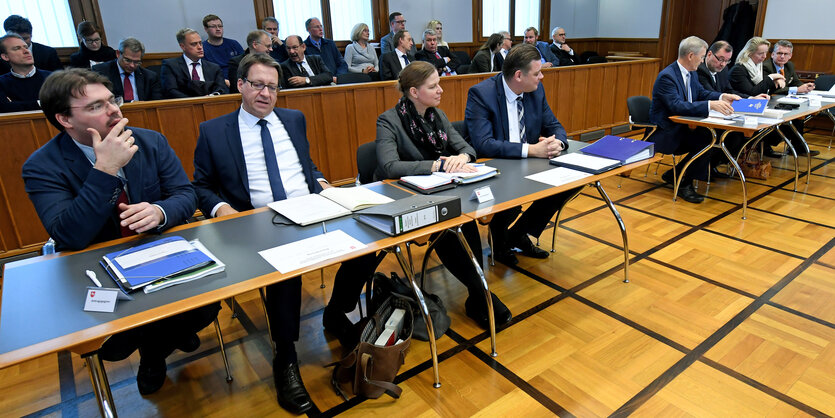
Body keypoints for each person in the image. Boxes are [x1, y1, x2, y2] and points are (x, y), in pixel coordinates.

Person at [192, 53, 375, 413]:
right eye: (258, 85)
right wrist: (224, 209)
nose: (266, 94)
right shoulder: (214, 131)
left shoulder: (293, 119)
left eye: (273, 87)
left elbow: (304, 164)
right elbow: (202, 186)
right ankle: (286, 356)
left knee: (368, 244)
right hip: (257, 222)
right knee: (284, 273)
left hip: (309, 209)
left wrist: (323, 184)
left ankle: (336, 312)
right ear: (240, 85)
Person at [21, 68, 220, 396]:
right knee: (114, 337)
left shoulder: (150, 141)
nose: (115, 109)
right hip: (97, 267)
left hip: (158, 251)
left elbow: (186, 195)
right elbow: (69, 235)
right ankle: (159, 341)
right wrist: (106, 169)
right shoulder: (42, 166)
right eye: (97, 106)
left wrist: (159, 212)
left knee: (209, 304)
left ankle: (152, 351)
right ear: (64, 119)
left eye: (112, 100)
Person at [376, 60, 512, 329]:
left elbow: (467, 148)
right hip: (408, 199)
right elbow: (388, 166)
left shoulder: (437, 116)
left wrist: (461, 157)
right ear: (414, 92)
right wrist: (435, 165)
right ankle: (480, 293)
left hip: (445, 191)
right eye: (433, 86)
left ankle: (477, 293)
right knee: (452, 229)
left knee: (465, 222)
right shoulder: (389, 120)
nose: (441, 90)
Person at [465, 43, 576, 264]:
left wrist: (559, 144)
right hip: (497, 167)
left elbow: (554, 126)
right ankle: (502, 237)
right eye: (537, 73)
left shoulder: (535, 91)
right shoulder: (482, 94)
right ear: (518, 75)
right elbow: (484, 144)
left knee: (571, 181)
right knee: (513, 192)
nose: (542, 77)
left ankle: (515, 235)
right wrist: (532, 150)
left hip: (529, 163)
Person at [649, 36, 739, 203]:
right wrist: (710, 105)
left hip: (684, 126)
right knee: (706, 138)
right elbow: (676, 106)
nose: (703, 60)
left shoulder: (692, 74)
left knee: (714, 135)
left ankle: (678, 174)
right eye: (703, 56)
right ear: (691, 56)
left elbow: (702, 93)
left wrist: (722, 96)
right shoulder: (667, 77)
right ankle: (684, 182)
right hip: (667, 130)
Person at [696, 40, 767, 175]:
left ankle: (711, 166)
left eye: (727, 61)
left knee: (738, 136)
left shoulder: (723, 70)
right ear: (709, 54)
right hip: (704, 117)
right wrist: (725, 97)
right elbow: (708, 94)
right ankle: (704, 169)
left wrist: (750, 99)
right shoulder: (700, 70)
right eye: (720, 59)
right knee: (728, 136)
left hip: (720, 116)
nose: (723, 64)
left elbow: (730, 90)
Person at [761, 40, 818, 157]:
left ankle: (798, 148)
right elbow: (772, 90)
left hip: (784, 101)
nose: (782, 56)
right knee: (790, 120)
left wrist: (806, 86)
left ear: (790, 56)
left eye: (786, 54)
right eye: (779, 53)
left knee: (798, 116)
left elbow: (795, 82)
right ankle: (763, 147)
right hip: (769, 102)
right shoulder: (766, 67)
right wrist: (796, 90)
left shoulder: (789, 66)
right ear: (772, 54)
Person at [160, 28, 228, 98]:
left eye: (200, 43)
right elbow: (170, 91)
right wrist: (195, 101)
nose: (200, 47)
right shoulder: (171, 65)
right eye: (194, 44)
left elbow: (222, 89)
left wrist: (210, 97)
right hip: (184, 106)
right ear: (182, 46)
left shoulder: (214, 68)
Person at [92, 37, 163, 101]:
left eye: (136, 62)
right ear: (118, 54)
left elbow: (156, 104)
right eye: (127, 60)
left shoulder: (150, 77)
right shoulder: (100, 72)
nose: (132, 65)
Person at [0, 33, 51, 112]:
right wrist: (40, 103)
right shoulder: (1, 82)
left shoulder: (53, 78)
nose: (26, 51)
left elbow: (62, 104)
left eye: (26, 47)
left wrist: (17, 105)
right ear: (5, 57)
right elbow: (3, 107)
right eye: (17, 48)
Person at [201, 14, 244, 84]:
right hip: (216, 82)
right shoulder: (202, 48)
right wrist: (223, 81)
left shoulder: (234, 44)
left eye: (220, 26)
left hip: (238, 79)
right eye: (213, 26)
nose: (218, 29)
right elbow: (205, 72)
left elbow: (245, 63)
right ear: (206, 29)